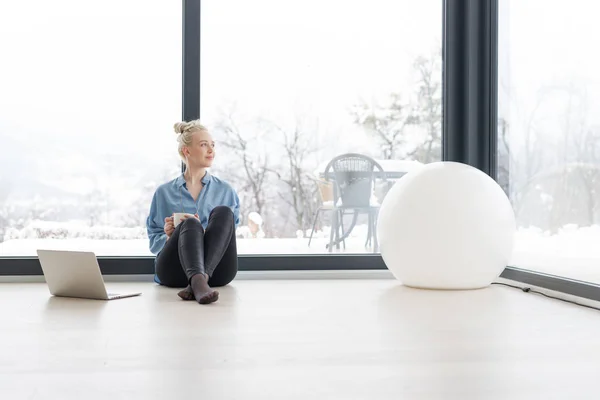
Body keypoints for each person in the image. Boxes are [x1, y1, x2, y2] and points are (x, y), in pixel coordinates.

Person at [146, 120, 240, 304]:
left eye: (212, 145)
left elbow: (227, 238)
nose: (211, 150)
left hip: (217, 271)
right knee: (190, 223)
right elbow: (153, 244)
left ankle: (198, 280)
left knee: (223, 212)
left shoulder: (226, 191)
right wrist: (169, 236)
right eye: (204, 145)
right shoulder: (163, 193)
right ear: (186, 151)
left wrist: (203, 233)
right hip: (174, 271)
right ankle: (198, 281)